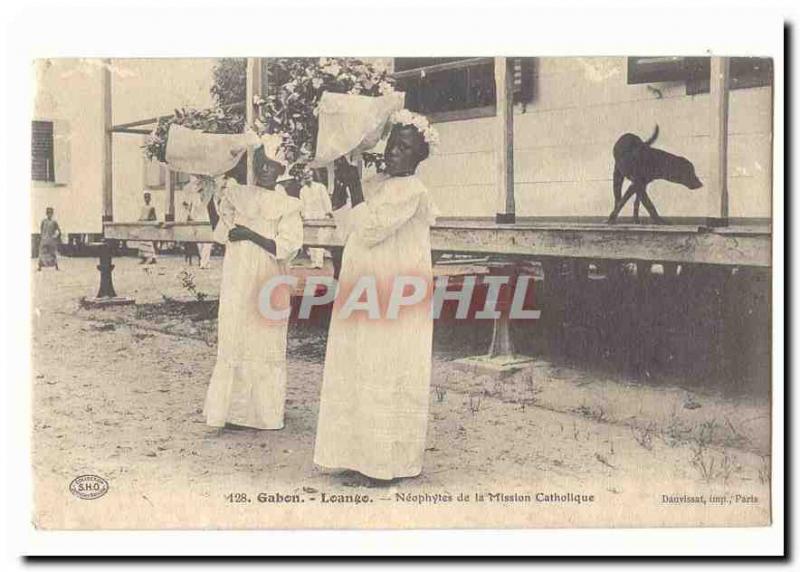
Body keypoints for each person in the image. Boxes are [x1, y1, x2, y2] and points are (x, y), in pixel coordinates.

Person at [313, 112, 440, 481]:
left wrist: (354, 190)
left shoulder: (412, 190)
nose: (394, 153)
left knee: (387, 364)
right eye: (393, 144)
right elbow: (347, 227)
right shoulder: (378, 183)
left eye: (405, 148)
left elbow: (370, 229)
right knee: (360, 360)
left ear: (419, 157)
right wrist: (342, 183)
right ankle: (358, 453)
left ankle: (387, 460)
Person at [202, 146, 303, 430]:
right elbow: (222, 231)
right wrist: (209, 196)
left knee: (263, 337)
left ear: (281, 170)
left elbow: (286, 247)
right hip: (238, 273)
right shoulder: (238, 195)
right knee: (236, 332)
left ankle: (263, 413)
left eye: (273, 166)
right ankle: (233, 411)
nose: (266, 170)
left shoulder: (289, 205)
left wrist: (250, 233)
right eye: (262, 164)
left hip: (268, 275)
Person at [299, 171, 333, 268]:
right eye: (305, 176)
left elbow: (326, 200)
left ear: (312, 176)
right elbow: (302, 204)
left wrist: (328, 212)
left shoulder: (320, 187)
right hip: (309, 217)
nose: (307, 178)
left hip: (320, 215)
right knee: (311, 239)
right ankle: (313, 261)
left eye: (309, 176)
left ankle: (319, 262)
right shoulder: (303, 190)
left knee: (320, 239)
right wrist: (303, 215)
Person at [37, 207, 61, 271]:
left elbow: (59, 231)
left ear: (52, 214)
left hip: (51, 240)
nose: (49, 214)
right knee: (42, 253)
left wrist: (55, 237)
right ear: (46, 213)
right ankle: (39, 267)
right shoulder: (44, 221)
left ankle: (56, 266)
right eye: (48, 213)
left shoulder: (54, 222)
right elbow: (41, 230)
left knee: (52, 253)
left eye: (50, 213)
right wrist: (42, 236)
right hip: (44, 240)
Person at [138, 192, 158, 264]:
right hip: (143, 225)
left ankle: (152, 258)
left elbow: (154, 217)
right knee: (142, 243)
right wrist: (139, 221)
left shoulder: (152, 207)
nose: (146, 199)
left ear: (150, 198)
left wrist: (153, 224)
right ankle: (143, 257)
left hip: (148, 225)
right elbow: (141, 216)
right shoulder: (143, 207)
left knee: (149, 242)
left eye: (148, 197)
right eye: (145, 197)